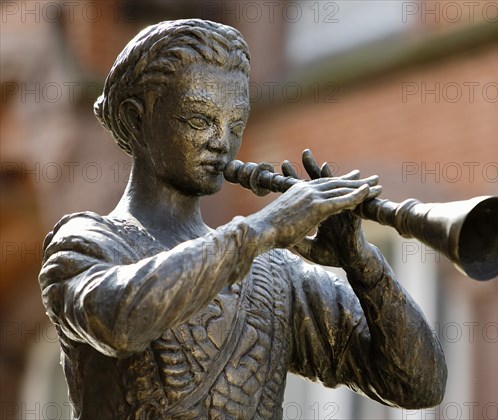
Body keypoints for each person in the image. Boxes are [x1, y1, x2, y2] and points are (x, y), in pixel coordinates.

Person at [38, 19, 446, 419]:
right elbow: (120, 321)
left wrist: (363, 264)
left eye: (235, 124)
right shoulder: (84, 242)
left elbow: (417, 385)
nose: (222, 143)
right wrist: (264, 229)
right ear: (135, 118)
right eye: (199, 120)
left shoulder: (276, 274)